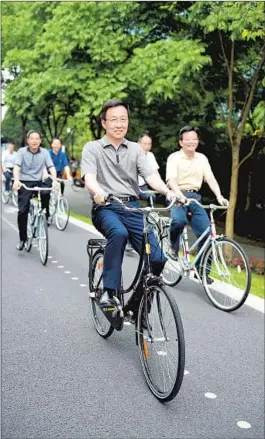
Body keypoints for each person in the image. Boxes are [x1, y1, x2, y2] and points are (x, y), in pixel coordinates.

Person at [81, 99, 174, 315]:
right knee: (119, 233)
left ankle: (135, 306)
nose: (119, 124)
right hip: (106, 207)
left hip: (132, 207)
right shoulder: (92, 148)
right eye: (113, 120)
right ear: (104, 123)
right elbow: (90, 179)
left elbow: (152, 177)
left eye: (123, 119)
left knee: (158, 258)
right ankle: (109, 291)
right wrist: (98, 192)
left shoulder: (135, 150)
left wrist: (168, 192)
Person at [166, 125, 228, 282]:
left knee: (207, 235)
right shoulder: (174, 157)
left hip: (195, 198)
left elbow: (210, 178)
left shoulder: (202, 158)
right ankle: (173, 247)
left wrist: (219, 196)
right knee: (178, 221)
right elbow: (171, 180)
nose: (191, 142)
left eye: (194, 139)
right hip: (177, 195)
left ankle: (202, 271)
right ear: (181, 142)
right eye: (187, 139)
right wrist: (179, 195)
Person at [13, 130, 58, 250]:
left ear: (40, 140)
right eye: (31, 138)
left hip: (38, 181)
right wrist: (17, 180)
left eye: (37, 138)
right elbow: (16, 167)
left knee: (47, 188)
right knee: (22, 211)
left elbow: (51, 167)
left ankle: (45, 212)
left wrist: (55, 180)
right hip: (24, 183)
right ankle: (23, 239)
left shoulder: (44, 153)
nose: (34, 141)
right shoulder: (21, 152)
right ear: (28, 141)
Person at [138, 134, 160, 207]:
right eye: (145, 144)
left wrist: (161, 185)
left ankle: (149, 215)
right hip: (130, 185)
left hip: (142, 186)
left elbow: (156, 173)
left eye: (149, 144)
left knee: (151, 196)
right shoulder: (131, 154)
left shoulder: (150, 155)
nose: (147, 147)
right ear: (139, 143)